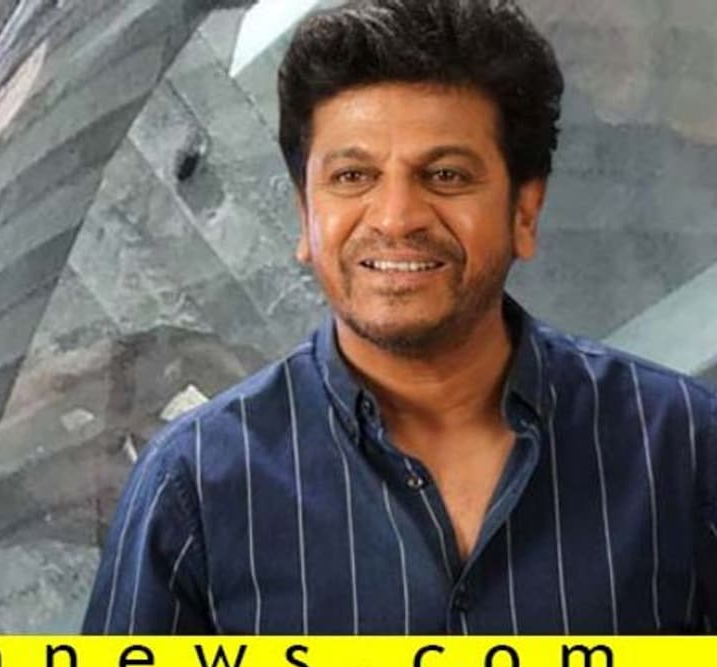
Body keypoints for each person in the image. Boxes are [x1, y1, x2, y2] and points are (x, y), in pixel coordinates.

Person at [83, 0, 717, 634]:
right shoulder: (192, 493)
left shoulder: (680, 444)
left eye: (445, 175)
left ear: (524, 213)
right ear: (305, 216)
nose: (395, 217)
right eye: (352, 176)